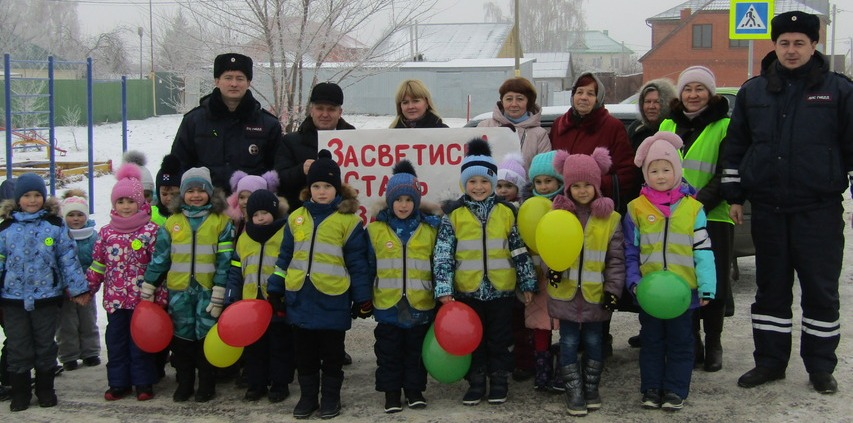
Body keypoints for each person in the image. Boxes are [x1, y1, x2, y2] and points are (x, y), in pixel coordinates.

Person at [721, 11, 853, 395]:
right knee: (771, 289)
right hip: (769, 210)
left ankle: (820, 366)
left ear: (814, 46)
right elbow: (736, 147)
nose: (791, 50)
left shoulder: (839, 91)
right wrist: (734, 196)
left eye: (799, 43)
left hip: (819, 210)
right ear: (774, 45)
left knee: (820, 290)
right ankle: (770, 362)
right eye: (784, 43)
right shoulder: (754, 91)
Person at [266, 150, 371, 420]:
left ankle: (330, 398)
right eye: (316, 186)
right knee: (305, 354)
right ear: (308, 188)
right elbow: (284, 257)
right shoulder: (296, 218)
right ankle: (308, 396)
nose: (321, 191)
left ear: (337, 188)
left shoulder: (349, 222)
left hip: (333, 298)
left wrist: (362, 298)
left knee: (332, 354)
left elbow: (358, 263)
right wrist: (276, 288)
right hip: (300, 296)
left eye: (327, 186)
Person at [433, 138, 537, 406]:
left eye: (484, 181)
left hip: (501, 290)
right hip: (467, 291)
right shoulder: (453, 215)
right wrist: (444, 289)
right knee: (473, 340)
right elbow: (443, 254)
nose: (478, 187)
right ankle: (476, 381)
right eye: (472, 181)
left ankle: (499, 380)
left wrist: (527, 281)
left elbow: (518, 249)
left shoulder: (506, 212)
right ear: (463, 184)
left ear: (493, 183)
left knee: (500, 339)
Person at [549, 71, 639, 357]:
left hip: (599, 213)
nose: (583, 97)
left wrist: (594, 186)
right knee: (570, 272)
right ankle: (569, 341)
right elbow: (550, 168)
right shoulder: (560, 126)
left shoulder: (611, 126)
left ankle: (601, 337)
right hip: (567, 213)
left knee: (597, 271)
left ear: (598, 98)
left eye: (590, 93)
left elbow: (626, 171)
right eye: (579, 92)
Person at [624, 132, 715, 411]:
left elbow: (703, 251)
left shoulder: (693, 209)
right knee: (651, 341)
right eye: (653, 170)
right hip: (650, 293)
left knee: (680, 342)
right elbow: (631, 251)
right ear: (645, 172)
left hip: (683, 293)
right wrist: (634, 281)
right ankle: (651, 388)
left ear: (677, 170)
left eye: (666, 169)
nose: (660, 176)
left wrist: (707, 285)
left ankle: (675, 389)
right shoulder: (636, 209)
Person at [658, 65, 732, 373]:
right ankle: (693, 342)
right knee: (683, 280)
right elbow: (655, 167)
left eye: (700, 89)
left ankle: (714, 342)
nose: (693, 95)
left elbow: (726, 172)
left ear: (710, 93)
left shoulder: (725, 126)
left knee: (710, 282)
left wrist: (695, 205)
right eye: (688, 89)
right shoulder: (666, 124)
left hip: (713, 216)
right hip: (671, 218)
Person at [142, 167, 234, 403]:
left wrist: (220, 289)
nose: (195, 195)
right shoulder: (172, 223)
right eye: (190, 191)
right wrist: (150, 283)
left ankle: (206, 383)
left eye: (201, 190)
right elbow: (161, 257)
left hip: (207, 290)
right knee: (181, 339)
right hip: (179, 291)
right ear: (182, 194)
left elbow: (225, 260)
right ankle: (184, 382)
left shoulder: (220, 222)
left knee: (205, 337)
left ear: (210, 194)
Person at [0, 173, 91, 412]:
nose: (32, 200)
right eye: (27, 196)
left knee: (45, 345)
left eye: (37, 195)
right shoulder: (6, 228)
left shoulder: (54, 225)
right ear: (18, 199)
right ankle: (20, 392)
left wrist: (78, 289)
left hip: (46, 298)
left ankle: (45, 389)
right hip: (13, 299)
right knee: (18, 346)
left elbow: (68, 258)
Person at [548, 147, 625, 416]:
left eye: (587, 185)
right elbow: (547, 248)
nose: (582, 191)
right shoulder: (558, 216)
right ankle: (574, 390)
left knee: (594, 342)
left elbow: (616, 260)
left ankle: (591, 386)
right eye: (576, 185)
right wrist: (552, 269)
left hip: (595, 295)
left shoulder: (610, 219)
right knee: (568, 342)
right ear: (567, 187)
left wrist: (613, 290)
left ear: (597, 185)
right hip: (566, 294)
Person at [366, 160, 441, 413]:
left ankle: (414, 390)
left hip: (420, 304)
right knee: (388, 353)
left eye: (409, 200)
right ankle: (391, 393)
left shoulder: (429, 229)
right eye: (398, 200)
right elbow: (367, 266)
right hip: (388, 304)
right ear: (390, 201)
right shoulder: (375, 230)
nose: (403, 205)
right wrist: (364, 298)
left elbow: (438, 264)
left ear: (416, 202)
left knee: (415, 353)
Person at [87, 163, 165, 401]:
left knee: (140, 342)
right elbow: (98, 264)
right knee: (116, 342)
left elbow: (159, 264)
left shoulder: (151, 231)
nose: (126, 206)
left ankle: (143, 382)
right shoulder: (106, 233)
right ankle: (119, 383)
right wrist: (87, 287)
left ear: (141, 203)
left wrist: (160, 296)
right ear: (114, 205)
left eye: (130, 201)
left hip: (143, 300)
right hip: (116, 301)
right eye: (120, 202)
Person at [171, 53, 283, 193]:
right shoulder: (194, 121)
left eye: (240, 78)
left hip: (250, 207)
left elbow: (277, 170)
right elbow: (178, 164)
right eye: (228, 78)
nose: (234, 84)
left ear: (248, 82)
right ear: (217, 81)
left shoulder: (268, 124)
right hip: (206, 206)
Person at [224, 189, 293, 403]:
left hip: (276, 304)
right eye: (255, 214)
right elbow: (236, 270)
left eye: (265, 213)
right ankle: (256, 384)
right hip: (250, 306)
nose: (260, 218)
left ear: (274, 212)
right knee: (254, 349)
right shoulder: (244, 239)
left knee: (279, 347)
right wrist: (231, 296)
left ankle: (279, 384)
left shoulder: (284, 235)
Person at [275, 82, 356, 212]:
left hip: (345, 219)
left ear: (340, 112)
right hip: (304, 219)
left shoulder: (356, 140)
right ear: (311, 110)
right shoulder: (291, 142)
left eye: (331, 109)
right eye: (320, 108)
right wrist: (301, 170)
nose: (325, 114)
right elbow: (278, 180)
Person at [522, 150, 563, 392]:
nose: (544, 186)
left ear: (559, 181)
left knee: (566, 325)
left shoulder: (566, 207)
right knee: (539, 324)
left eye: (549, 181)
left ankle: (562, 369)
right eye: (538, 181)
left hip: (562, 278)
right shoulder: (527, 207)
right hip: (536, 276)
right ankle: (542, 368)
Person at [56, 190, 101, 372]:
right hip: (66, 289)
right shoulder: (60, 235)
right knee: (67, 323)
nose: (76, 219)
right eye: (71, 215)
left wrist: (91, 280)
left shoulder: (92, 236)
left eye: (80, 214)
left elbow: (98, 259)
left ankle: (90, 352)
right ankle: (68, 356)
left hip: (86, 287)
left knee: (88, 320)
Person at [477, 77, 551, 168]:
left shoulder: (540, 135)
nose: (514, 104)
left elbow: (543, 170)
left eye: (520, 99)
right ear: (502, 101)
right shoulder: (485, 127)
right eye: (509, 99)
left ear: (529, 102)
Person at [626, 79, 678, 151]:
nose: (651, 106)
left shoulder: (676, 128)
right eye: (647, 101)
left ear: (667, 103)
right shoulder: (636, 129)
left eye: (657, 102)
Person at [225, 170, 279, 238]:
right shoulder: (231, 220)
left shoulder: (266, 220)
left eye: (250, 197)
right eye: (241, 197)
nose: (245, 201)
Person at [153, 154, 183, 227]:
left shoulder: (187, 215)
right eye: (164, 194)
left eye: (173, 194)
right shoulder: (149, 214)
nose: (169, 198)